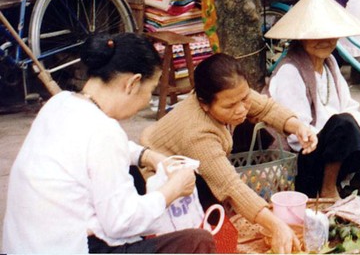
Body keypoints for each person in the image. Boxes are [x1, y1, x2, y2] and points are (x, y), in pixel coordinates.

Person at [2, 33, 215, 254]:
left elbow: (97, 148)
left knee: (131, 172)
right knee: (198, 242)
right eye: (150, 90)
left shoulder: (59, 102)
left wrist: (147, 155)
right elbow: (121, 222)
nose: (145, 101)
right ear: (132, 84)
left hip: (23, 246)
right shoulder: (104, 132)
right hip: (67, 248)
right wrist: (173, 189)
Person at [141, 54, 317, 255]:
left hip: (188, 169)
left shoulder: (233, 92)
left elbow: (266, 108)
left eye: (244, 99)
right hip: (154, 177)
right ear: (204, 104)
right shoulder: (198, 133)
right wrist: (276, 225)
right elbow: (230, 185)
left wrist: (298, 127)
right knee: (208, 234)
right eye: (230, 106)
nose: (241, 109)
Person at [266, 0, 360, 198]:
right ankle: (327, 189)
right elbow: (299, 135)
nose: (324, 40)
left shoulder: (330, 63)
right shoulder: (290, 70)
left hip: (340, 143)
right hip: (307, 156)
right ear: (301, 37)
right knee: (344, 124)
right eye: (315, 35)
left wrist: (357, 136)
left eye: (330, 34)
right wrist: (344, 133)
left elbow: (350, 106)